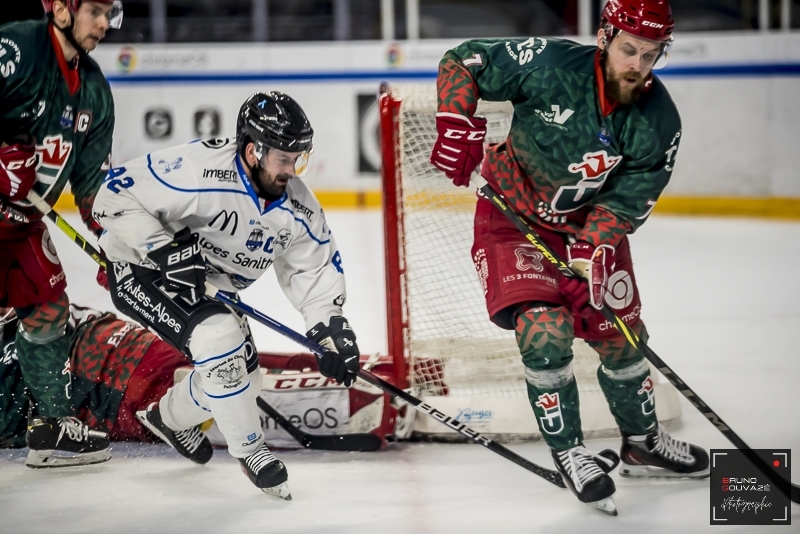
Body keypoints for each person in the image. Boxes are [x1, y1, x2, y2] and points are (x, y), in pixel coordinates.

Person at [429, 0, 708, 515]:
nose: (638, 66)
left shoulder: (659, 120)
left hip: (589, 233)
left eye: (651, 55)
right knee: (545, 331)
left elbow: (630, 198)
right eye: (629, 50)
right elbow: (465, 60)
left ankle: (642, 443)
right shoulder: (550, 64)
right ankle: (571, 454)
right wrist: (453, 118)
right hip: (513, 219)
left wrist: (590, 249)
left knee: (623, 342)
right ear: (604, 38)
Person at [92, 91, 362, 499]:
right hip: (142, 268)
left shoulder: (299, 209)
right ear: (254, 151)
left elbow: (313, 270)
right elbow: (111, 195)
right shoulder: (198, 169)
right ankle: (252, 451)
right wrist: (161, 248)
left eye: (298, 158)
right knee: (220, 340)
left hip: (210, 284)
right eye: (284, 159)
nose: (293, 170)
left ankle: (167, 418)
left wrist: (331, 330)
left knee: (243, 381)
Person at [0, 0, 122, 467]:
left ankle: (52, 428)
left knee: (49, 307)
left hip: (21, 224)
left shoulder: (94, 90)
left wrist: (115, 244)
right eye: (95, 11)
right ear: (62, 9)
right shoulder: (17, 48)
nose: (104, 24)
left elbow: (92, 187)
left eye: (111, 13)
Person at [0, 305, 199, 451]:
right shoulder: (36, 298)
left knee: (202, 388)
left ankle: (188, 403)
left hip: (126, 379)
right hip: (138, 362)